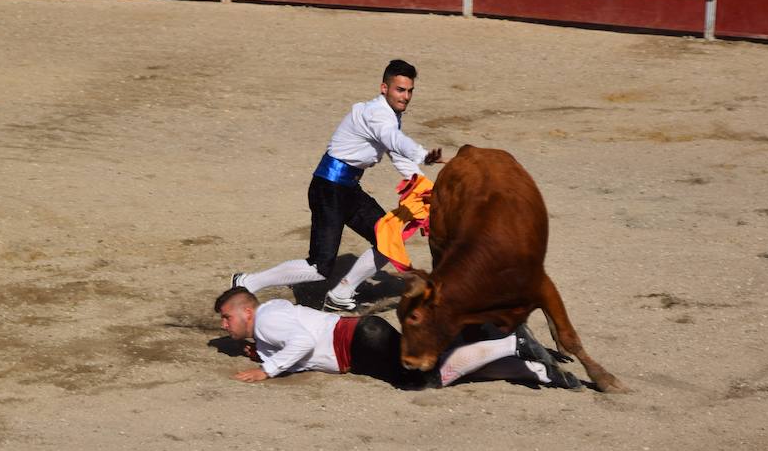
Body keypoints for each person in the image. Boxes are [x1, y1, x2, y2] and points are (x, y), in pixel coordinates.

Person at [229, 59, 442, 312]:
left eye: (409, 91)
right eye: (400, 89)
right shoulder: (376, 114)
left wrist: (430, 190)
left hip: (347, 188)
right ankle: (248, 282)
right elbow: (394, 140)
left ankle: (342, 292)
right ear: (384, 88)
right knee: (318, 268)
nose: (405, 96)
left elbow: (398, 156)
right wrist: (422, 154)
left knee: (389, 239)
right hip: (328, 189)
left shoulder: (390, 115)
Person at [214, 287, 582, 389]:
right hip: (362, 333)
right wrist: (262, 352)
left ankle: (510, 345)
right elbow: (301, 336)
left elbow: (304, 345)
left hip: (359, 343)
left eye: (227, 317)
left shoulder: (265, 321)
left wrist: (269, 369)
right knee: (437, 372)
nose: (224, 325)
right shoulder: (273, 312)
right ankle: (532, 372)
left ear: (248, 311)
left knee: (427, 378)